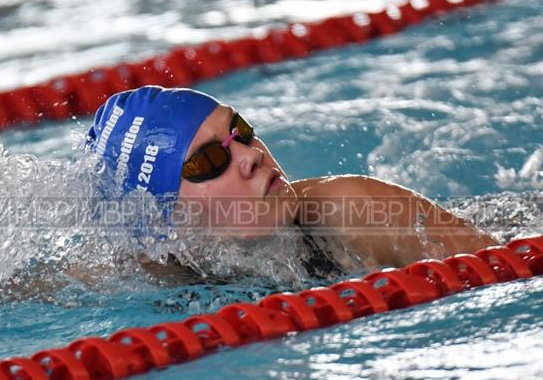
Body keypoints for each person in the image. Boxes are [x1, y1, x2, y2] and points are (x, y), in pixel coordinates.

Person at [85, 85, 497, 278]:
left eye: (241, 130)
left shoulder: (352, 211)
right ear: (163, 217)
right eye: (210, 160)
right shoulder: (120, 284)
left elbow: (502, 264)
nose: (250, 155)